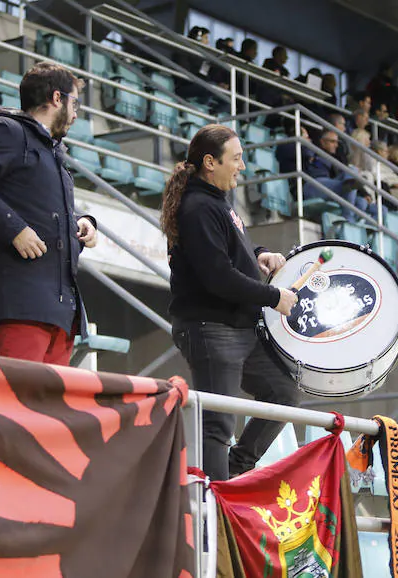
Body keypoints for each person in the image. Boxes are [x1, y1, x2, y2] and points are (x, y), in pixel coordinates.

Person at [161, 123, 298, 481]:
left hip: (238, 326)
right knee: (218, 422)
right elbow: (218, 276)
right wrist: (272, 296)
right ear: (210, 162)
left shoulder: (216, 202)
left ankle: (235, 472)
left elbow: (228, 253)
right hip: (211, 328)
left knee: (282, 392)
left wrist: (259, 255)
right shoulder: (197, 208)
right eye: (236, 159)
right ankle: (216, 507)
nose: (243, 166)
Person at [0, 62, 98, 365]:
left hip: (59, 310)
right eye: (75, 102)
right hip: (22, 304)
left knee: (47, 411)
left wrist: (83, 222)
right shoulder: (9, 131)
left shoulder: (52, 150)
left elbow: (44, 206)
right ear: (57, 98)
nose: (76, 112)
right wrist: (15, 229)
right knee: (18, 407)